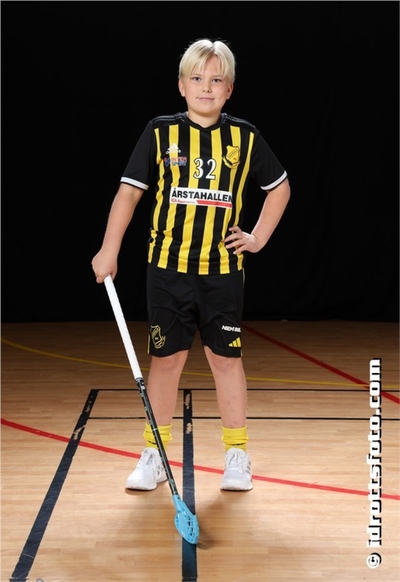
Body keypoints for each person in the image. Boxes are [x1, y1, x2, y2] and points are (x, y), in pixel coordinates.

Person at [92, 38, 290, 492]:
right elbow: (129, 193)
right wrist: (109, 248)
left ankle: (237, 455)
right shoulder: (160, 132)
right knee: (166, 360)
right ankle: (154, 454)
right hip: (168, 270)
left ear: (229, 89)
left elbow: (279, 188)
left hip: (222, 272)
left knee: (226, 360)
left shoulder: (245, 137)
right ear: (181, 85)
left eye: (216, 80)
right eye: (197, 78)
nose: (206, 87)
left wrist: (257, 238)